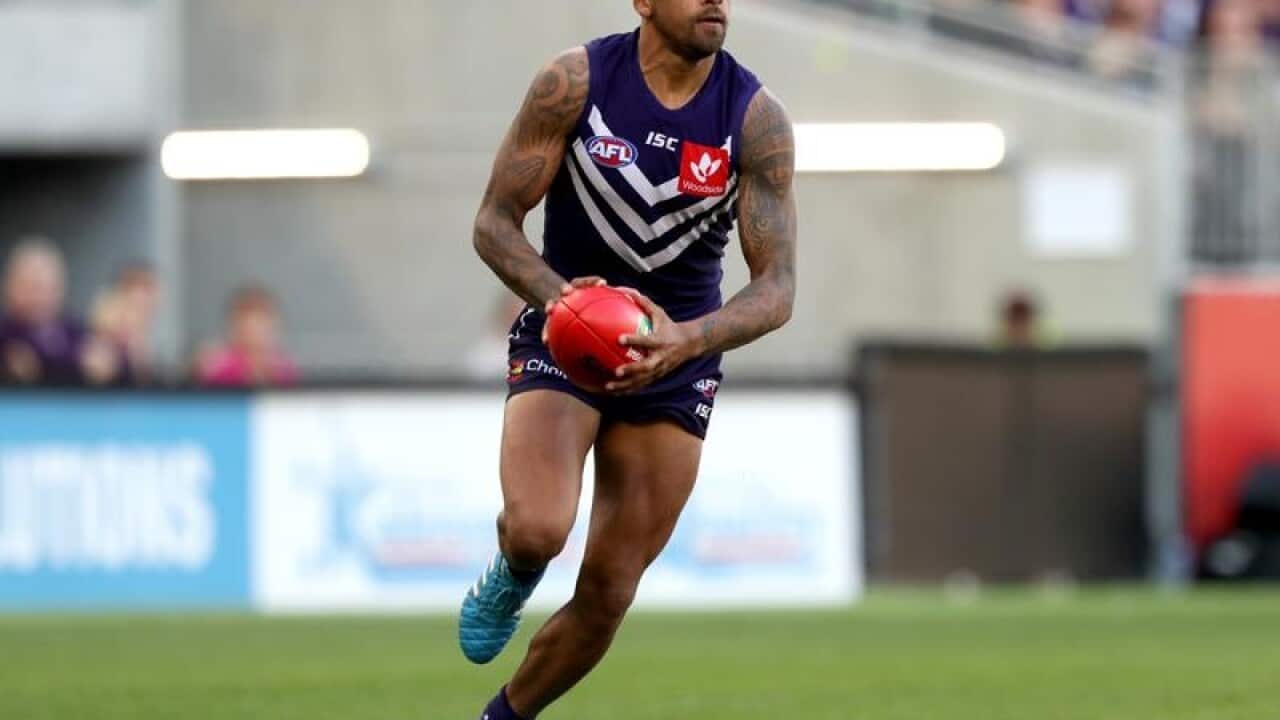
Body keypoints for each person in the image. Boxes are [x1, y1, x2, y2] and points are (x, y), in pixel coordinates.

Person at [464, 1, 797, 718]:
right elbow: (493, 221)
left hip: (677, 357)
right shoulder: (574, 83)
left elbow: (778, 290)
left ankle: (502, 716)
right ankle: (515, 569)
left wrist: (688, 339)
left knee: (610, 589)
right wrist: (561, 300)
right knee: (538, 528)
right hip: (567, 339)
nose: (716, 1)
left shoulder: (754, 118)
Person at [0, 238, 92, 386]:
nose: (39, 297)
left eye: (48, 288)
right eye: (32, 287)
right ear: (10, 286)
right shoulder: (5, 336)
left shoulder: (78, 334)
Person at [195, 285, 298, 387]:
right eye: (249, 330)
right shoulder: (220, 367)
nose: (256, 338)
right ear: (234, 332)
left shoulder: (283, 368)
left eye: (263, 329)